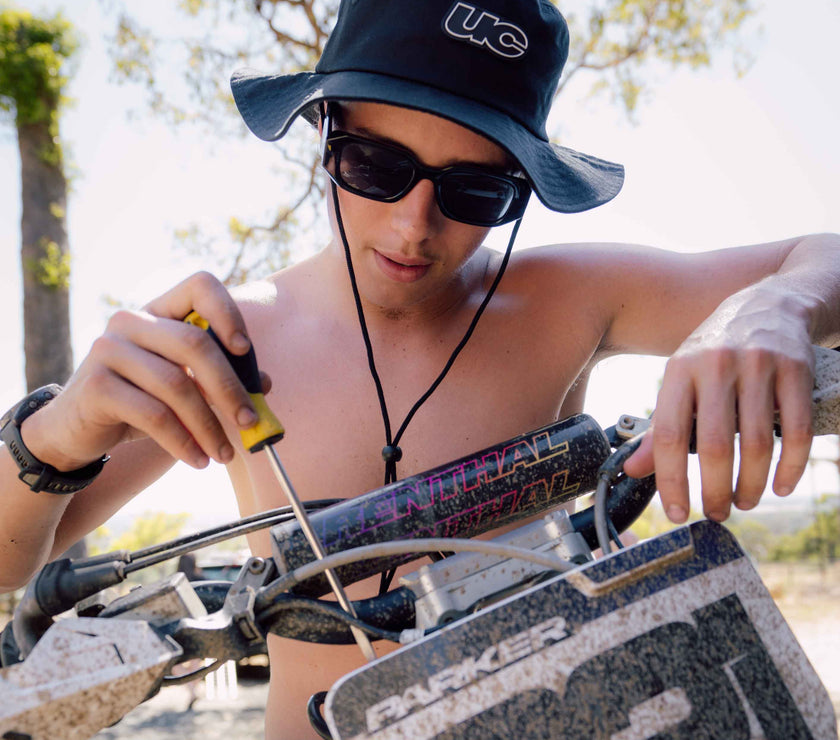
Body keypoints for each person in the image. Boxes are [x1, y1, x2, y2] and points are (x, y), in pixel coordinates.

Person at [0, 1, 838, 737]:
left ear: (522, 189)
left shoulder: (571, 299)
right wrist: (55, 435)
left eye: (475, 192)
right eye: (376, 166)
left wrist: (775, 306)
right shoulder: (225, 340)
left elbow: (823, 256)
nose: (412, 228)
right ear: (322, 132)